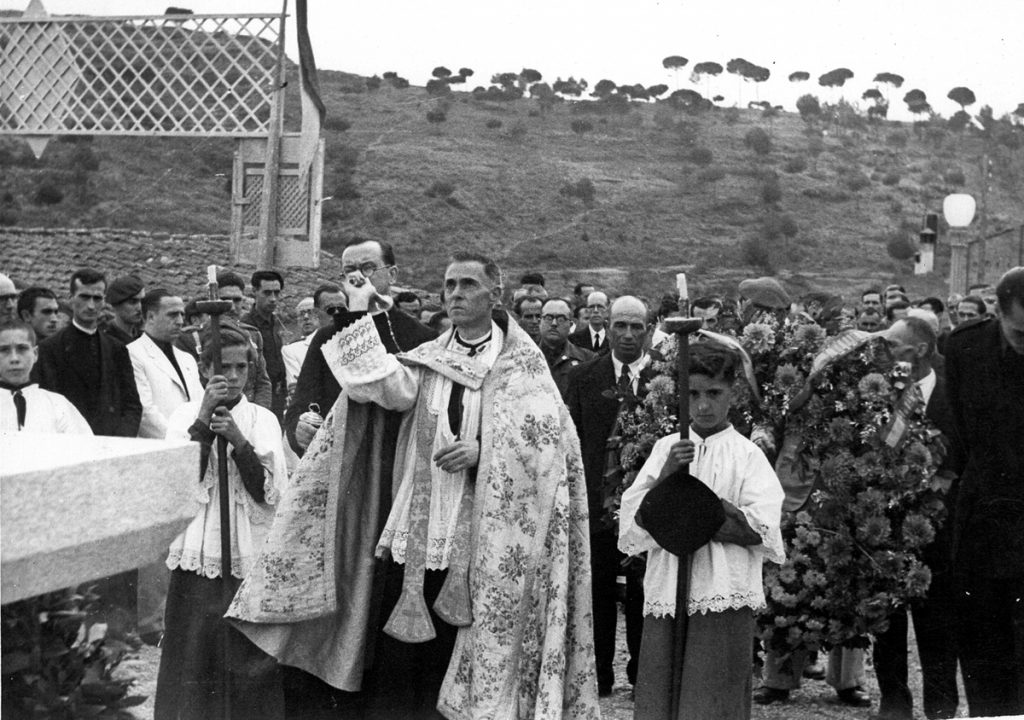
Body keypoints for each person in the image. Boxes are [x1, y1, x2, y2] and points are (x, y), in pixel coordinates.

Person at [228, 251, 599, 720]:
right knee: (401, 673)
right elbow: (377, 384)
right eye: (450, 285)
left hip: (488, 540)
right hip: (419, 532)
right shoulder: (430, 358)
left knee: (458, 663)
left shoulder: (522, 365)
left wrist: (484, 452)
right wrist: (358, 310)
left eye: (468, 284)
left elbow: (546, 449)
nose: (456, 294)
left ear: (496, 293)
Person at [619, 342, 785, 720]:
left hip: (721, 589)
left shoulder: (746, 455)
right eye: (693, 395)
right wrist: (667, 478)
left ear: (733, 393)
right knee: (664, 686)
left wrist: (700, 511)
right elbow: (634, 523)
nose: (703, 406)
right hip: (670, 587)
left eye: (714, 393)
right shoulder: (667, 449)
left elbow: (762, 528)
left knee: (712, 690)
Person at [154, 322, 286, 720]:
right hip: (201, 544)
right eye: (223, 367)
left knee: (246, 651)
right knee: (195, 646)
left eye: (241, 367)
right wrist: (204, 422)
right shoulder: (182, 415)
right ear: (203, 368)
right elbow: (179, 485)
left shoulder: (263, 418)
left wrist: (239, 441)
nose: (232, 376)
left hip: (246, 544)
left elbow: (265, 492)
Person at [870, 316, 961, 720]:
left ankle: (941, 707)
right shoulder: (878, 392)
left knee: (937, 623)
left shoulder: (953, 391)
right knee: (887, 620)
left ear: (920, 350)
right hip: (885, 523)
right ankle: (893, 703)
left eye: (894, 345)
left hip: (938, 528)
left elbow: (966, 449)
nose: (885, 352)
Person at [945, 266, 1024, 717]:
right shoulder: (965, 347)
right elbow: (959, 428)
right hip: (983, 513)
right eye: (1019, 333)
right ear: (999, 313)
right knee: (981, 639)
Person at [566, 296, 653, 695]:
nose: (628, 335)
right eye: (621, 325)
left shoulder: (663, 376)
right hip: (596, 502)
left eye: (637, 327)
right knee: (598, 589)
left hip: (645, 505)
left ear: (648, 330)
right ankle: (599, 673)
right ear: (608, 327)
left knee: (642, 590)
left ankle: (642, 673)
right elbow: (573, 439)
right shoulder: (585, 376)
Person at [282, 238, 436, 460]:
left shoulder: (420, 337)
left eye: (368, 268)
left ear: (392, 274)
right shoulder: (327, 337)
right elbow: (302, 401)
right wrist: (299, 428)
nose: (358, 277)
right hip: (341, 455)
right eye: (349, 271)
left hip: (398, 457)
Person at [33, 268, 141, 437]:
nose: (91, 305)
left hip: (113, 443)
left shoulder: (116, 348)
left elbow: (132, 404)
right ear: (71, 299)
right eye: (84, 297)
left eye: (97, 298)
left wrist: (121, 440)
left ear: (104, 301)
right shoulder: (49, 349)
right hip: (71, 442)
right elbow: (45, 406)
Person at [0, 320, 91, 435]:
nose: (14, 359)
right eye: (4, 350)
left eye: (22, 349)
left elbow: (84, 444)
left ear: (35, 354)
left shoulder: (57, 404)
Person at [216, 270, 273, 410]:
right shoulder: (196, 338)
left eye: (237, 300)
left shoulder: (253, 335)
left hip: (247, 412)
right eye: (225, 300)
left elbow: (262, 382)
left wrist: (258, 415)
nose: (232, 307)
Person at [242, 270, 289, 421]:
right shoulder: (246, 326)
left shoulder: (278, 323)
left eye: (277, 293)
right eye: (267, 293)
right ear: (254, 292)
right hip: (257, 396)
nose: (273, 299)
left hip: (279, 395)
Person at [539, 297, 594, 397]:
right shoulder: (525, 356)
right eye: (548, 318)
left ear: (571, 325)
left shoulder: (588, 359)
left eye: (561, 319)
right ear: (540, 322)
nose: (554, 324)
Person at [281, 296, 317, 402]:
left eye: (311, 312)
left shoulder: (332, 341)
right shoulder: (291, 350)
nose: (306, 317)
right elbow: (295, 387)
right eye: (301, 314)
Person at [103, 275, 146, 345]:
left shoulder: (143, 337)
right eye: (133, 302)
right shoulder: (106, 340)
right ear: (116, 304)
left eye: (142, 301)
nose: (139, 308)